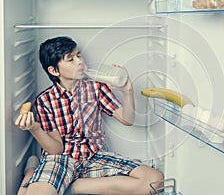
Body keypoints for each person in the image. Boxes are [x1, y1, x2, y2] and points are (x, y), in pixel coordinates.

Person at [15, 36, 163, 195]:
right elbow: (56, 149)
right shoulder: (44, 100)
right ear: (54, 70)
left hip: (95, 156)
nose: (79, 62)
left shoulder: (95, 87)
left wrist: (128, 91)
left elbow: (127, 119)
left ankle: (68, 186)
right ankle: (32, 172)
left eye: (78, 55)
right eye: (70, 59)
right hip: (62, 159)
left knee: (154, 181)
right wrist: (35, 128)